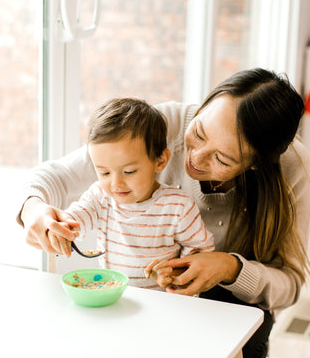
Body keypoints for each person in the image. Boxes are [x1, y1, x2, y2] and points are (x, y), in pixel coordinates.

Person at [18, 68, 310, 358]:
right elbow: (54, 176)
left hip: (220, 296)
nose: (195, 158)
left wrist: (229, 268)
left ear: (255, 165)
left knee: (244, 349)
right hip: (133, 282)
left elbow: (289, 285)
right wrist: (33, 210)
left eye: (221, 160)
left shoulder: (293, 170)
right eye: (198, 133)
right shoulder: (158, 127)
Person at [46, 97, 214, 289]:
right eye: (104, 172)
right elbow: (79, 215)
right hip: (113, 296)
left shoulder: (178, 207)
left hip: (163, 302)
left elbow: (202, 254)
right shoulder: (101, 196)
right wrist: (63, 228)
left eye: (129, 172)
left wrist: (174, 272)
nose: (116, 183)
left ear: (160, 161)